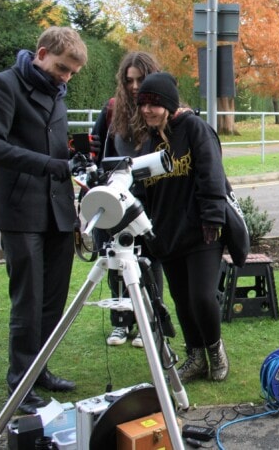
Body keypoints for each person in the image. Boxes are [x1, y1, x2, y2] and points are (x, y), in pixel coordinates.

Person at [0, 26, 88, 414]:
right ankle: (20, 384)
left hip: (58, 209)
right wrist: (50, 165)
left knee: (52, 301)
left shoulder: (57, 92)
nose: (66, 78)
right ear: (40, 53)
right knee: (28, 300)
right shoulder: (2, 85)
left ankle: (40, 370)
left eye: (71, 72)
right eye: (61, 68)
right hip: (20, 209)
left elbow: (56, 149)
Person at [133, 72, 230, 382]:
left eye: (154, 104)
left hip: (202, 232)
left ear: (168, 104)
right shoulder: (149, 141)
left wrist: (213, 219)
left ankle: (215, 350)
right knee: (182, 299)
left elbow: (211, 174)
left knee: (202, 296)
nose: (147, 109)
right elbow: (144, 189)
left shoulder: (195, 129)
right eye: (143, 104)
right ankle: (196, 355)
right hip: (167, 234)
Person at [91, 51, 165, 349]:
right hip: (117, 196)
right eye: (129, 80)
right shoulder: (112, 110)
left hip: (152, 198)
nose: (134, 86)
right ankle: (121, 323)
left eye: (140, 79)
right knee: (117, 261)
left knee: (150, 262)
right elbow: (96, 150)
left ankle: (150, 321)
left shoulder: (161, 109)